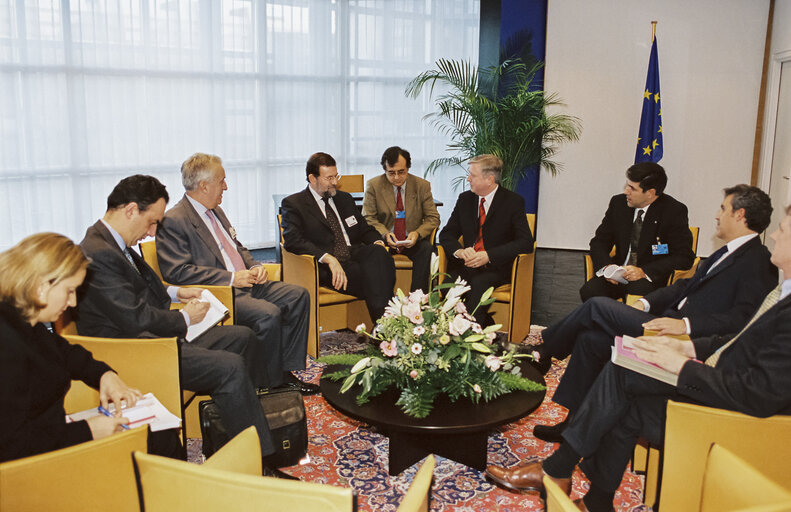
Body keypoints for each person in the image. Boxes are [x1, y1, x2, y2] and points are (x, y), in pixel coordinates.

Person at [485, 206, 791, 512]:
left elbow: (757, 386)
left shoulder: (760, 268)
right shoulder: (780, 289)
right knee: (595, 343)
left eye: (782, 230)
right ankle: (593, 492)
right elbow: (737, 336)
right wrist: (691, 348)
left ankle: (541, 360)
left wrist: (684, 350)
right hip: (691, 346)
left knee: (603, 323)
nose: (774, 235)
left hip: (729, 410)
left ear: (740, 215)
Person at [74, 175, 293, 478]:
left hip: (154, 336)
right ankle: (259, 462)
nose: (152, 233)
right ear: (130, 211)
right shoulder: (98, 252)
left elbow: (138, 292)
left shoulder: (112, 242)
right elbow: (135, 318)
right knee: (229, 367)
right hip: (139, 349)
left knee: (243, 337)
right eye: (151, 223)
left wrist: (177, 293)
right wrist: (186, 317)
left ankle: (233, 430)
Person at [532, 185, 777, 442]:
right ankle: (574, 426)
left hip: (681, 340)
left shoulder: (758, 261)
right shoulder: (727, 252)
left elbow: (742, 320)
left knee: (596, 305)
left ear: (740, 214)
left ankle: (541, 352)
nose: (717, 215)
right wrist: (645, 304)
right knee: (590, 340)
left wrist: (686, 325)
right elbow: (684, 287)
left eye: (723, 208)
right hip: (665, 321)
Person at [0, 233, 172, 462]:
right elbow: (12, 446)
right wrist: (87, 431)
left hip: (51, 441)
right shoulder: (7, 346)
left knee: (161, 433)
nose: (72, 303)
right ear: (41, 287)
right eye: (70, 291)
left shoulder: (25, 322)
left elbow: (66, 353)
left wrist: (104, 374)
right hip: (31, 470)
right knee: (158, 439)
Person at [155, 153, 316, 395]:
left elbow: (237, 245)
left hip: (247, 282)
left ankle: (284, 370)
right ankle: (269, 384)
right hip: (222, 292)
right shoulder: (174, 221)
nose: (226, 187)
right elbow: (178, 271)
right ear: (204, 185)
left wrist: (253, 266)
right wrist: (230, 278)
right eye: (222, 181)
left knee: (297, 296)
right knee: (268, 314)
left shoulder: (215, 210)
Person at [281, 152, 396, 322]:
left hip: (355, 253)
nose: (335, 182)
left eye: (336, 176)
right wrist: (328, 258)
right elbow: (293, 240)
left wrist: (378, 241)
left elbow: (364, 229)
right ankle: (386, 324)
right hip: (328, 265)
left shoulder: (344, 199)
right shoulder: (294, 204)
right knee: (376, 275)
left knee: (381, 255)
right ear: (313, 178)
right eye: (329, 178)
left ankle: (384, 326)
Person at [438, 154, 533, 327]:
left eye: (472, 175)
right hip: (467, 265)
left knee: (479, 284)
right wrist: (460, 251)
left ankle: (469, 337)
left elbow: (526, 242)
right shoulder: (465, 200)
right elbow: (446, 234)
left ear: (489, 179)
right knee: (447, 285)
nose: (468, 179)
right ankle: (453, 331)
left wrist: (489, 255)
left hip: (496, 267)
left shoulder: (513, 202)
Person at [582, 162, 694, 301]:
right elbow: (599, 242)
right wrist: (607, 268)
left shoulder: (673, 211)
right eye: (627, 185)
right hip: (618, 274)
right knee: (590, 291)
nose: (626, 192)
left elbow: (684, 257)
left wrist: (643, 271)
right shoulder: (619, 204)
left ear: (650, 193)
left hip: (649, 278)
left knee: (637, 293)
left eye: (632, 188)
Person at [363, 146, 440, 292]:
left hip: (412, 239)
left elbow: (433, 218)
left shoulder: (422, 186)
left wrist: (417, 234)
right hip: (386, 241)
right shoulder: (374, 185)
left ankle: (417, 300)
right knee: (375, 254)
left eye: (401, 172)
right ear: (385, 170)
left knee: (428, 250)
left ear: (408, 168)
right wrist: (385, 234)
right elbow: (368, 218)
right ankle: (387, 302)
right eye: (391, 173)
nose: (397, 177)